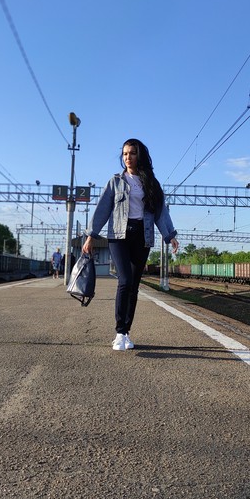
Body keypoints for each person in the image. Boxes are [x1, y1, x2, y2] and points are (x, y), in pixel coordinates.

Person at [82, 138, 179, 351]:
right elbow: (102, 209)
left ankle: (126, 332)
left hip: (142, 235)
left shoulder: (151, 183)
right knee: (125, 280)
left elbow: (160, 212)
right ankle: (119, 332)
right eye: (125, 154)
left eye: (132, 153)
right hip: (119, 235)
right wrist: (91, 236)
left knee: (134, 285)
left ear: (139, 156)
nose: (128, 157)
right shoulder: (115, 181)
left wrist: (170, 235)